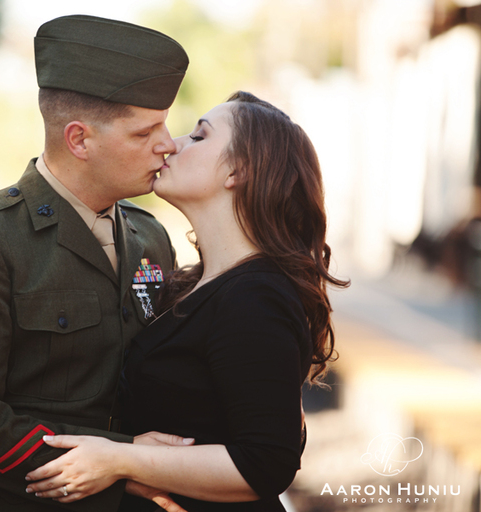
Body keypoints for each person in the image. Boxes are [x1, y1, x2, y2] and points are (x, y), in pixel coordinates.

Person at [0, 14, 192, 512]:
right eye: (145, 132)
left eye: (165, 126)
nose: (167, 143)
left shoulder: (150, 236)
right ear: (79, 140)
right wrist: (122, 462)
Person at [24, 91, 350, 511]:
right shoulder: (193, 283)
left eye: (198, 136)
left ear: (238, 171)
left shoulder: (255, 298)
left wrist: (120, 459)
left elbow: (266, 462)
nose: (170, 144)